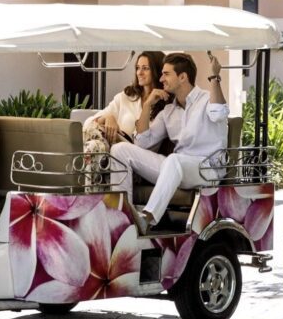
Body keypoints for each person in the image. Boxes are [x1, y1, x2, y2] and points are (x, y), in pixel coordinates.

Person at [109, 52, 227, 233]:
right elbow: (141, 144)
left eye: (166, 74)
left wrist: (214, 77)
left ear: (182, 77)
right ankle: (124, 218)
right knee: (120, 150)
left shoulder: (206, 99)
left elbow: (219, 113)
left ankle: (147, 218)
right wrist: (147, 105)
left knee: (174, 160)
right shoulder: (169, 111)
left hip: (206, 170)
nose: (161, 79)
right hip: (176, 169)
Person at [82, 50, 166, 156]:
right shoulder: (126, 96)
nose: (139, 72)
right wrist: (108, 117)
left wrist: (148, 104)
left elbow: (146, 145)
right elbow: (88, 124)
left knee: (94, 146)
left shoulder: (165, 106)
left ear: (157, 70)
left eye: (145, 68)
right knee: (92, 142)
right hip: (109, 150)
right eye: (138, 68)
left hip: (136, 156)